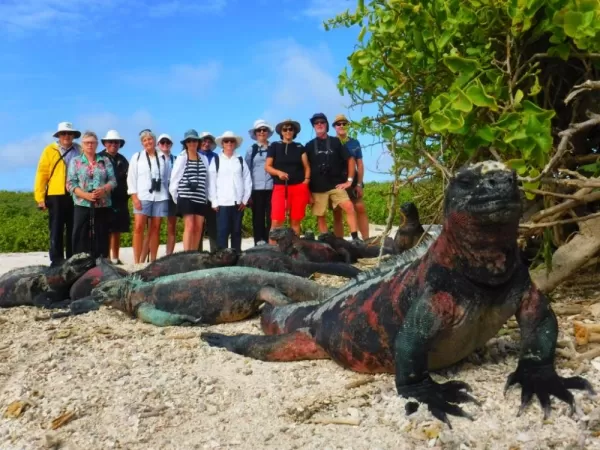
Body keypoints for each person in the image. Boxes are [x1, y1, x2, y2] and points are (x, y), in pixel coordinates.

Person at [304, 113, 361, 242]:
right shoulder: (308, 146)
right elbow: (304, 167)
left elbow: (351, 159)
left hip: (336, 185)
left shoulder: (336, 142)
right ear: (313, 126)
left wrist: (349, 181)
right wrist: (307, 191)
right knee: (321, 215)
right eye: (316, 123)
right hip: (317, 187)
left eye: (322, 122)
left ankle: (355, 238)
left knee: (349, 207)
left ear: (327, 125)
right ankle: (326, 240)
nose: (319, 124)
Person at [33, 121, 82, 266]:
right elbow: (42, 174)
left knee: (74, 227)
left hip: (75, 193)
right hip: (55, 194)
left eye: (69, 133)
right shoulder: (49, 150)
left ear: (73, 135)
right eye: (63, 133)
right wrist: (40, 197)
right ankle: (56, 260)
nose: (66, 136)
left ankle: (72, 258)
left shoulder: (79, 150)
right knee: (56, 227)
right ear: (59, 135)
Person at [66, 131, 117, 259]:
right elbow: (70, 183)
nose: (90, 145)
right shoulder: (75, 161)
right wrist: (85, 195)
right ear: (82, 145)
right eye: (87, 143)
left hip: (102, 204)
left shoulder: (105, 161)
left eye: (92, 143)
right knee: (79, 234)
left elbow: (113, 181)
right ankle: (79, 263)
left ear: (97, 144)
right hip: (81, 203)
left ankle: (102, 262)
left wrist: (104, 189)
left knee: (101, 235)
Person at [127, 130, 171, 264]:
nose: (147, 142)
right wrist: (134, 197)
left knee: (156, 228)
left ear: (154, 140)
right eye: (144, 140)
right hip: (143, 195)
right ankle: (137, 262)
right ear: (142, 143)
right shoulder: (137, 157)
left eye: (149, 139)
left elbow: (167, 177)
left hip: (160, 196)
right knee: (139, 227)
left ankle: (153, 260)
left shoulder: (163, 157)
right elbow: (131, 177)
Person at [264, 119, 310, 240]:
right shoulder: (274, 146)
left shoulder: (300, 147)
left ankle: (294, 252)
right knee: (276, 220)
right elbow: (267, 166)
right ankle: (272, 251)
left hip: (299, 187)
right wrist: (278, 172)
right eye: (285, 129)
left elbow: (307, 166)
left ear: (294, 131)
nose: (288, 131)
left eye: (291, 129)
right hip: (280, 186)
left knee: (295, 221)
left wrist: (306, 182)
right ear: (281, 132)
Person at [208, 131, 252, 252]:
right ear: (222, 144)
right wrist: (214, 201)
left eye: (231, 141)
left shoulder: (240, 160)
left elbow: (247, 180)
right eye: (226, 141)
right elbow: (211, 182)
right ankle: (223, 260)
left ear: (235, 143)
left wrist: (245, 199)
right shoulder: (216, 160)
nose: (229, 143)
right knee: (222, 233)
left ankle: (236, 258)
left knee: (237, 232)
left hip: (238, 203)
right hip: (222, 203)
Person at [170, 129, 210, 251]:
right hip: (185, 195)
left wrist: (207, 197)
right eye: (189, 141)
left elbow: (207, 179)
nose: (192, 143)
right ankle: (187, 254)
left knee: (199, 227)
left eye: (194, 140)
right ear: (186, 143)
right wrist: (176, 198)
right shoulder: (182, 157)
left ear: (198, 142)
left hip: (200, 196)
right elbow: (174, 178)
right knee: (190, 226)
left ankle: (194, 253)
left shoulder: (203, 158)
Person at [331, 114, 369, 239]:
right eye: (338, 124)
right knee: (337, 213)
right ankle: (339, 242)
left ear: (348, 126)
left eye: (344, 123)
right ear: (334, 127)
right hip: (336, 180)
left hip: (352, 181)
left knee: (360, 207)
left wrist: (359, 184)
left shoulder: (354, 142)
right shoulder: (331, 143)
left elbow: (360, 164)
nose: (341, 126)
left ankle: (366, 240)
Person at [98, 130, 129, 264]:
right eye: (110, 142)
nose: (113, 144)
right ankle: (104, 258)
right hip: (104, 199)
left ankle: (115, 258)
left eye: (116, 142)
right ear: (105, 143)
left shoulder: (123, 160)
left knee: (117, 230)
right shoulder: (98, 158)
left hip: (120, 199)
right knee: (103, 230)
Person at [246, 119, 274, 245]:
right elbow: (246, 171)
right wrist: (248, 193)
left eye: (264, 130)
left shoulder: (274, 148)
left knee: (271, 217)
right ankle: (258, 242)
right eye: (259, 130)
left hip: (271, 188)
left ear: (267, 132)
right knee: (257, 218)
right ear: (256, 133)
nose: (262, 132)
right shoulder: (251, 150)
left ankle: (270, 242)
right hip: (256, 189)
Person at [198, 131, 219, 252]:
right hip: (199, 194)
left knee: (213, 226)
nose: (206, 143)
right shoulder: (194, 154)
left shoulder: (216, 157)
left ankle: (215, 251)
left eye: (209, 141)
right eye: (204, 141)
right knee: (199, 226)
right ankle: (198, 252)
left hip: (213, 195)